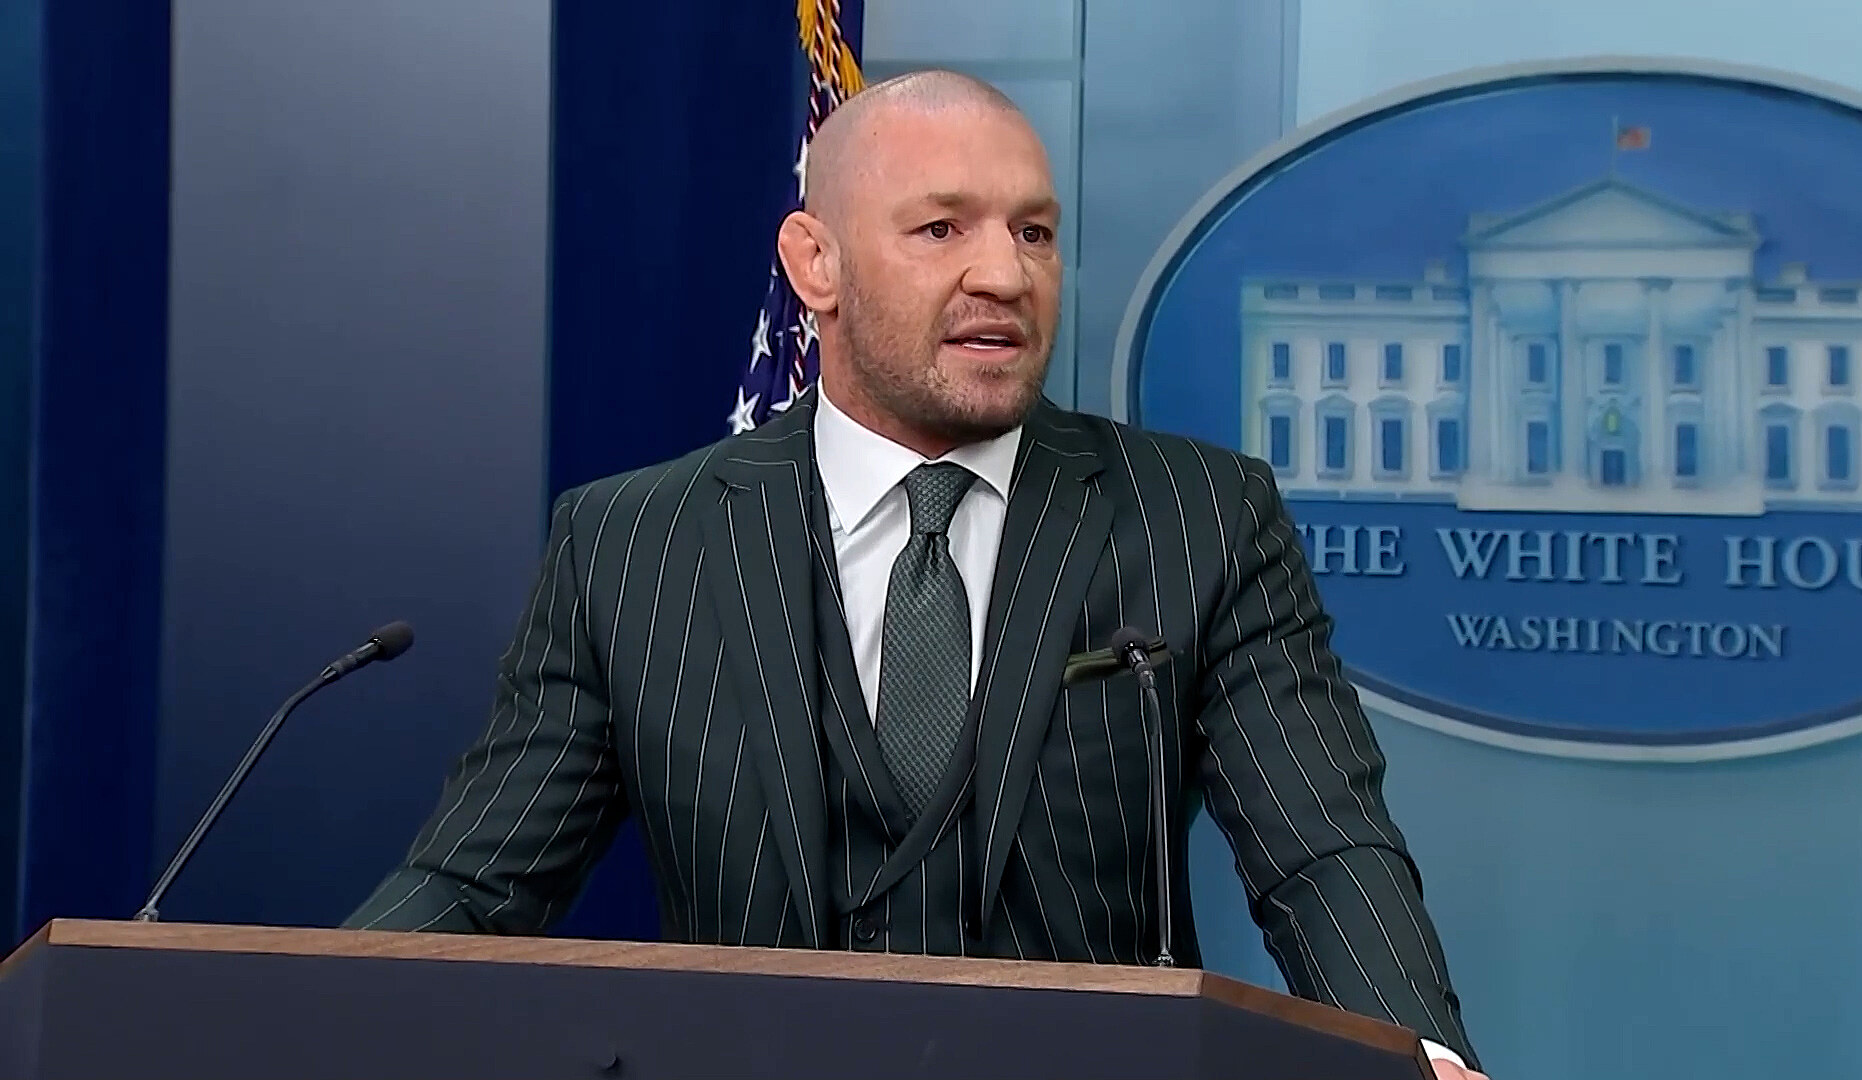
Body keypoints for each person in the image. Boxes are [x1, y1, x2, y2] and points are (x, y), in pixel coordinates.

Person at [347, 69, 1487, 1078]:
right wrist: (309, 1021)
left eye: (1033, 232)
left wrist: (1422, 1061)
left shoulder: (1202, 518)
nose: (1005, 273)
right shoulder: (631, 543)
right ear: (817, 263)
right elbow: (477, 886)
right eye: (942, 229)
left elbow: (1321, 850)